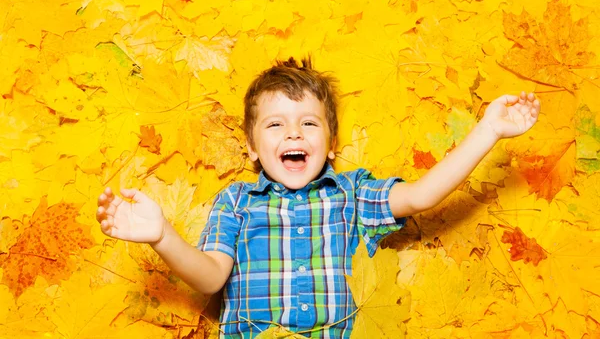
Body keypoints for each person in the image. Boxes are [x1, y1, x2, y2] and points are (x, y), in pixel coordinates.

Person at [96, 57, 541, 338]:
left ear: (331, 144)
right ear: (251, 147)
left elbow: (423, 194)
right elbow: (211, 279)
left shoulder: (351, 194)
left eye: (308, 123)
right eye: (275, 125)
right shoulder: (236, 201)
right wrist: (162, 236)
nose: (293, 132)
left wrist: (489, 131)